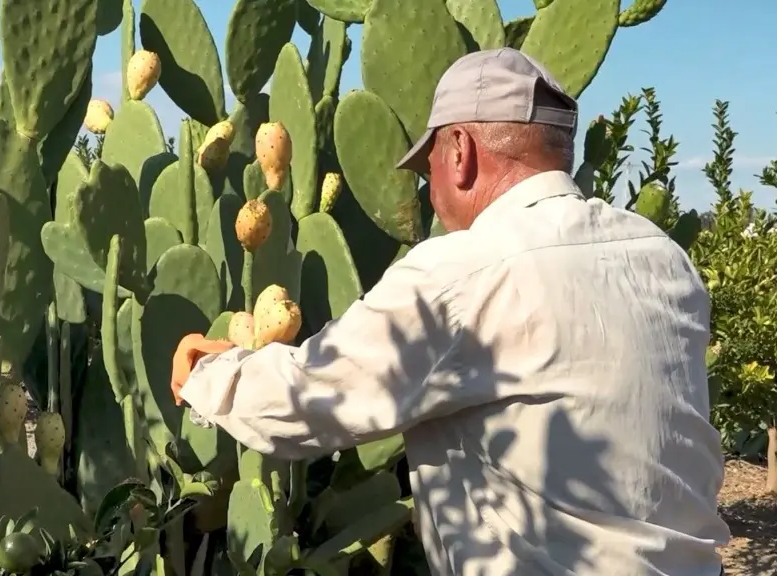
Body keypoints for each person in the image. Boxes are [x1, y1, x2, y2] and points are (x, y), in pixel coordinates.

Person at [173, 48, 730, 575]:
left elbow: (310, 399)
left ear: (460, 152)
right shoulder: (664, 259)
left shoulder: (464, 271)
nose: (429, 190)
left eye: (429, 166)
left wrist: (207, 371)